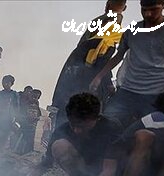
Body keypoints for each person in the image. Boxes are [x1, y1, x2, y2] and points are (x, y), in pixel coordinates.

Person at [90, 0, 164, 128]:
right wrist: (98, 77)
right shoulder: (132, 30)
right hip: (127, 91)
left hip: (156, 92)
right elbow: (119, 56)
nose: (148, 14)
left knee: (151, 130)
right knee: (105, 123)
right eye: (144, 10)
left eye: (153, 10)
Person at [52, 0, 128, 129]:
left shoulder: (97, 23)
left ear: (108, 4)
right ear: (124, 8)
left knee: (67, 117)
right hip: (86, 79)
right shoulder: (113, 28)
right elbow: (100, 57)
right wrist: (107, 81)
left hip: (73, 74)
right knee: (81, 117)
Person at [36, 93, 123, 176]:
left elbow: (110, 169)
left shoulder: (111, 127)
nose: (77, 130)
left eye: (82, 126)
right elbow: (47, 162)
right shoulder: (63, 129)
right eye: (73, 125)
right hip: (85, 170)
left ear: (97, 118)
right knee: (59, 146)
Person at [0, 76, 18, 149]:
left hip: (8, 117)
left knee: (5, 133)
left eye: (7, 82)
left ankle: (1, 148)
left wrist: (14, 117)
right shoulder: (0, 93)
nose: (5, 84)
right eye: (3, 82)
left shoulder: (14, 94)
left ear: (11, 84)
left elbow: (16, 106)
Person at [14, 89, 42, 154]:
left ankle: (28, 152)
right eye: (32, 96)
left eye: (36, 97)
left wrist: (36, 119)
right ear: (29, 96)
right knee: (21, 138)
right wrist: (25, 120)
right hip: (25, 125)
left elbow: (39, 115)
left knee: (30, 140)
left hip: (32, 126)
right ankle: (18, 151)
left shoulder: (36, 105)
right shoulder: (26, 104)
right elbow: (21, 114)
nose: (34, 98)